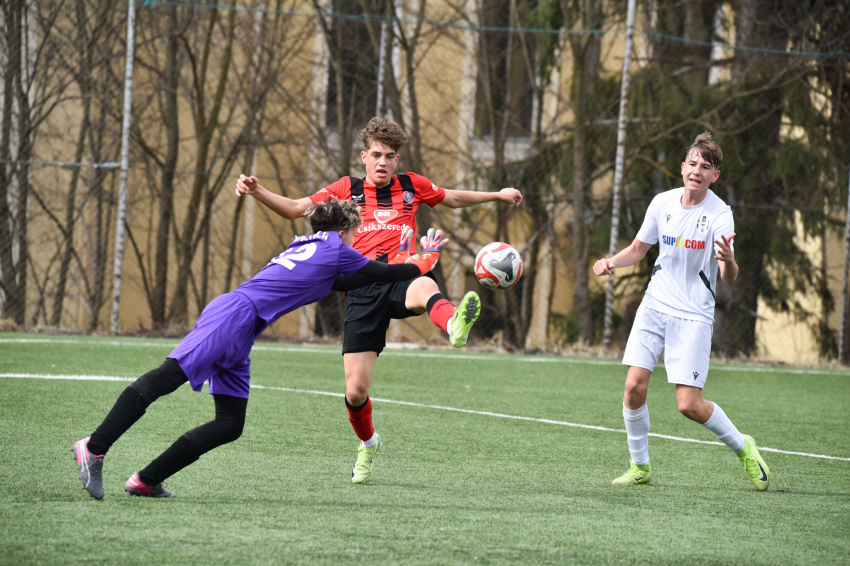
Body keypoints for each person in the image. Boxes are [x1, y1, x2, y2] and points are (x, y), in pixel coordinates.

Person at [72, 198, 448, 499]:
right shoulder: (336, 246)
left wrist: (404, 263)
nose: (355, 241)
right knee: (167, 377)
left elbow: (351, 281)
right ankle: (94, 446)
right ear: (344, 230)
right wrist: (425, 260)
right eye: (354, 233)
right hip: (235, 316)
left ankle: (146, 480)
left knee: (229, 425)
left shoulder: (307, 244)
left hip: (243, 325)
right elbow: (384, 274)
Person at [235, 116, 523, 484]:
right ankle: (369, 443)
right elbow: (295, 208)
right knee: (356, 392)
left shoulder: (412, 186)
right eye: (376, 155)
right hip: (362, 288)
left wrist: (497, 195)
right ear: (364, 157)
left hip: (401, 274)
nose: (383, 162)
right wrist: (257, 191)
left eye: (389, 156)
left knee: (424, 284)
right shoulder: (347, 189)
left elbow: (451, 198)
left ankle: (453, 323)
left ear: (397, 160)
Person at [592, 132, 770, 491]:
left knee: (689, 405)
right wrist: (611, 262)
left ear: (715, 176)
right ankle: (639, 467)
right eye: (693, 164)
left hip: (693, 316)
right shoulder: (662, 203)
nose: (697, 171)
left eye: (706, 167)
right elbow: (639, 249)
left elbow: (729, 277)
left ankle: (744, 447)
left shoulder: (720, 214)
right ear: (683, 167)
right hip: (654, 305)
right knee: (633, 387)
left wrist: (728, 260)